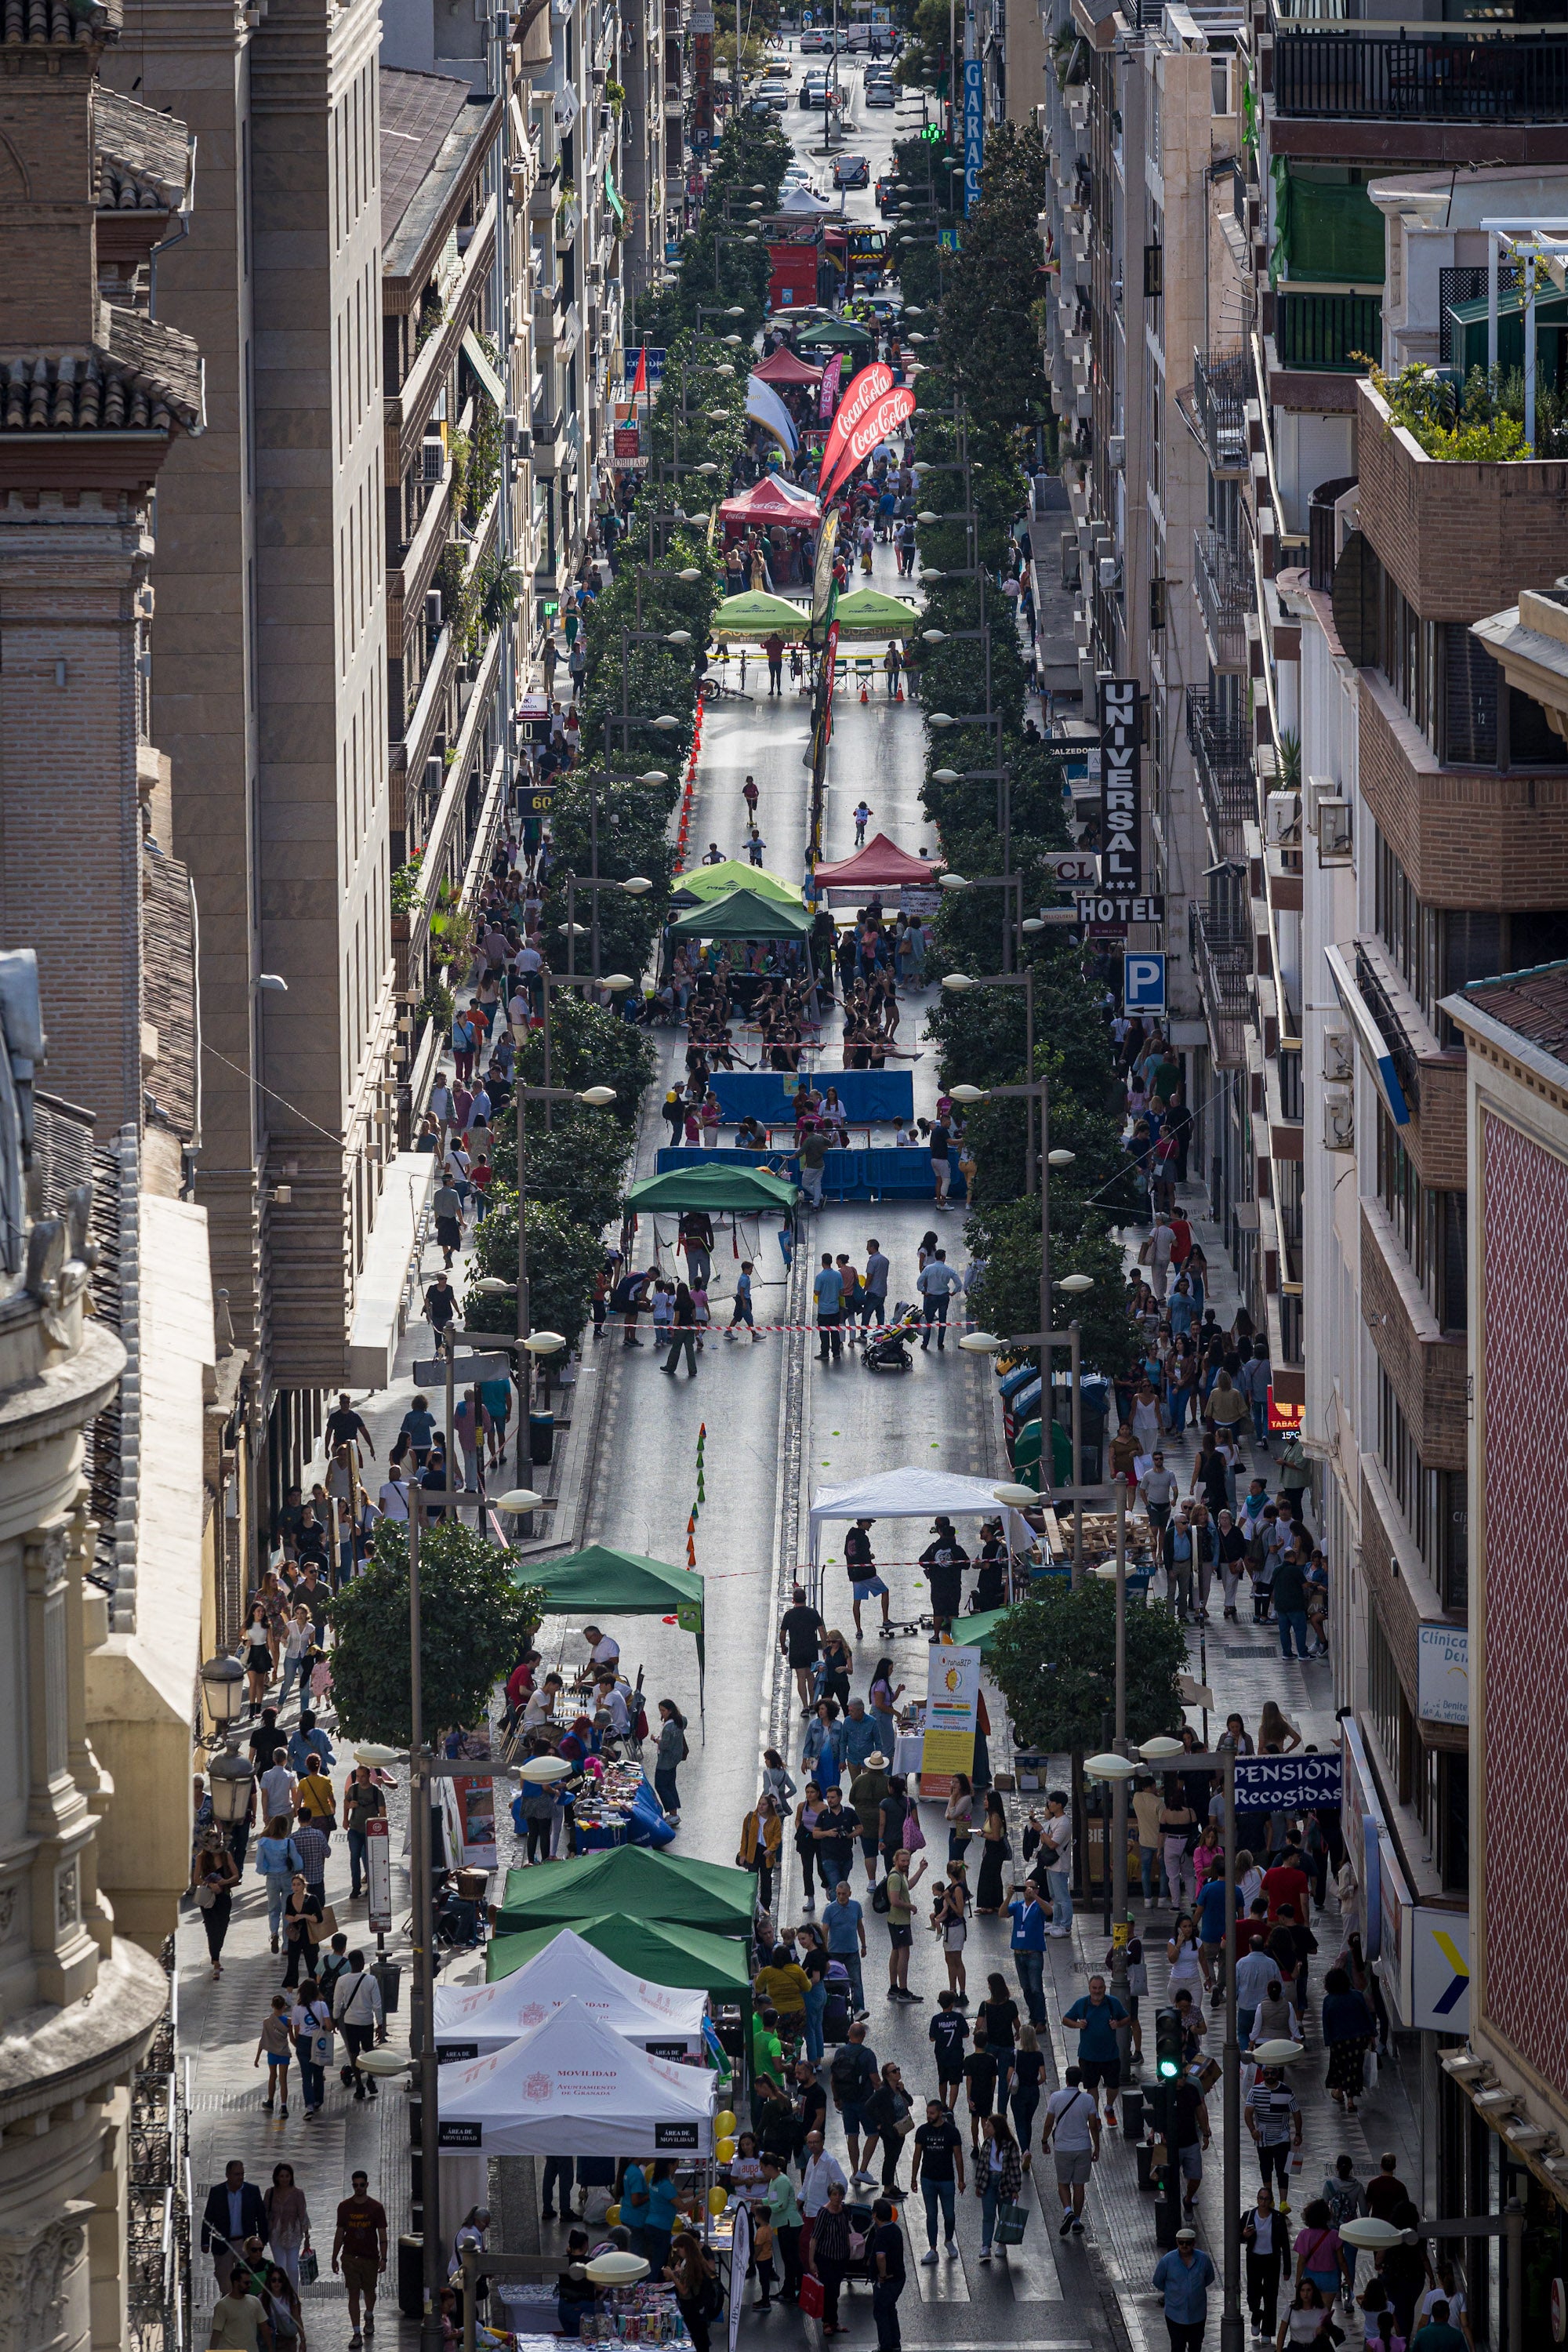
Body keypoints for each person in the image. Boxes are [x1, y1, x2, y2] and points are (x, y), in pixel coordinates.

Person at [1041, 2065, 1100, 2235]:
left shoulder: (1056, 2097)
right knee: (1079, 2185)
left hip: (1063, 2147)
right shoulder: (1088, 2100)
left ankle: (1068, 2210)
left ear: (1066, 2079)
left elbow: (1048, 2123)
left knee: (1063, 2183)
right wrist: (1097, 2147)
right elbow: (1093, 2125)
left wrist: (1044, 2140)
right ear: (1080, 2081)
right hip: (1083, 2147)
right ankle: (1076, 2221)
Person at [1063, 1974, 1129, 2125]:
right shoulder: (1082, 2004)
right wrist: (1078, 2025)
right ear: (1089, 1989)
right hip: (1088, 2056)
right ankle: (1096, 2116)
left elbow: (1127, 2018)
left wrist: (1117, 2024)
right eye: (1094, 1988)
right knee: (1092, 2087)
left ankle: (1109, 2107)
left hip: (1110, 2055)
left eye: (1100, 1988)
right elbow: (1066, 2019)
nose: (1097, 1991)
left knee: (1113, 2086)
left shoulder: (1113, 2003)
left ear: (1105, 1988)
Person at [332, 2172, 387, 2350]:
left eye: (361, 2185)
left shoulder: (376, 2208)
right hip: (350, 2257)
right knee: (353, 2293)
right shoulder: (344, 2207)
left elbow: (382, 2235)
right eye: (355, 2185)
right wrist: (334, 2256)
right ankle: (356, 2332)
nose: (358, 2188)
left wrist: (384, 2258)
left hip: (370, 2257)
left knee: (370, 2291)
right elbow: (340, 2233)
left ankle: (369, 2314)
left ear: (367, 2185)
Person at [201, 2163, 267, 2296]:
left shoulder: (252, 2191)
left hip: (245, 2244)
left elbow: (261, 2217)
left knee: (246, 2281)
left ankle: (244, 2310)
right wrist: (205, 2242)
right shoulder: (217, 2192)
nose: (240, 2177)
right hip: (223, 2244)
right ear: (228, 2175)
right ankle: (230, 2308)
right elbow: (208, 2217)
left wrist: (262, 2240)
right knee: (226, 2283)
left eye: (242, 2174)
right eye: (237, 2174)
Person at [1154, 2229, 1218, 2352]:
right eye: (1181, 2242)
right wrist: (1173, 2293)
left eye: (1188, 2243)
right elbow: (1158, 2281)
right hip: (1175, 2313)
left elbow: (1209, 2278)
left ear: (1193, 2244)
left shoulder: (1203, 2259)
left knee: (1196, 2346)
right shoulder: (1167, 2261)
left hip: (1197, 2313)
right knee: (1178, 2346)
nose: (1184, 2246)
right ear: (1177, 2243)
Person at [333, 1951, 385, 2099]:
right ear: (362, 1963)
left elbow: (337, 2003)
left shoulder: (342, 1981)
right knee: (370, 2052)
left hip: (350, 2022)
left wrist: (336, 2018)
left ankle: (359, 2087)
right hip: (366, 2022)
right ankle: (370, 2080)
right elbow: (377, 2005)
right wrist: (380, 2024)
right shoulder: (371, 1980)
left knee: (354, 2054)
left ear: (350, 1963)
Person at [1247, 2066, 1303, 2201]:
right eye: (1266, 2073)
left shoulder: (1287, 2091)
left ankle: (1283, 2202)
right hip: (1263, 2138)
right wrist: (1252, 2130)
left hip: (1282, 2138)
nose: (1269, 2076)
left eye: (1272, 2073)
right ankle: (1269, 2199)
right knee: (1266, 2170)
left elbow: (1296, 2113)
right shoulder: (1255, 2091)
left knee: (1283, 2171)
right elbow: (1248, 2112)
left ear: (1277, 2073)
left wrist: (1298, 2134)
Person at [191, 1831, 241, 1979]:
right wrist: (209, 1884)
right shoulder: (202, 1858)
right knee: (211, 1928)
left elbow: (236, 1875)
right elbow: (196, 1879)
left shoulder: (226, 1855)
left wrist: (225, 1882)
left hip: (224, 1895)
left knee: (223, 1925)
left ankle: (215, 1956)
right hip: (208, 1897)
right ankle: (216, 1961)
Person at [884, 1846, 927, 2000]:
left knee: (896, 1952)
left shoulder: (899, 1874)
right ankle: (903, 1990)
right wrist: (910, 1906)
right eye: (903, 1861)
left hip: (897, 1920)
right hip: (899, 1921)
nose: (906, 1863)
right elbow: (894, 1901)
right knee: (904, 1954)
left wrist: (921, 1870)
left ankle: (894, 1988)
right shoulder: (895, 1877)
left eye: (908, 1861)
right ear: (896, 1860)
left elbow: (908, 1886)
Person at [1244, 2187, 1287, 2340]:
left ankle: (1267, 2331)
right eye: (1260, 2198)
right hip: (1254, 2259)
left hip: (1272, 2260)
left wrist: (1287, 2268)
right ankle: (1257, 2315)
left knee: (1270, 2296)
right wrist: (1244, 2236)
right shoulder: (1249, 2216)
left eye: (1266, 2199)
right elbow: (1237, 2237)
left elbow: (1285, 2243)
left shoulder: (1277, 2217)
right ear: (1257, 2199)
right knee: (1252, 2294)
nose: (1263, 2202)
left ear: (1270, 2201)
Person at [779, 1586, 826, 1716]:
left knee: (801, 1677)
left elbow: (782, 1634)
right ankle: (812, 1703)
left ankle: (805, 1706)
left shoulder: (789, 1615)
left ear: (793, 1600)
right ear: (805, 1599)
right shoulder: (813, 1613)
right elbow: (822, 1631)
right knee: (811, 1676)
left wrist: (783, 1647)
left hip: (796, 1649)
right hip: (810, 1648)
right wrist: (825, 1647)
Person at [1008, 1875, 1049, 2025]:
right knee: (1026, 1988)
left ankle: (1040, 2020)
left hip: (1034, 1954)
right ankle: (1033, 2016)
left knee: (1036, 1988)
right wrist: (1008, 1896)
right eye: (1025, 1888)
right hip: (1019, 1954)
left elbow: (1049, 1911)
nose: (1027, 1891)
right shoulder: (1018, 1906)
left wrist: (1036, 1897)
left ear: (1037, 1890)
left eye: (1030, 1888)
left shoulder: (1039, 1906)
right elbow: (1002, 1913)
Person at [263, 2165, 311, 2291]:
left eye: (287, 2176)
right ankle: (281, 2293)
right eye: (282, 2176)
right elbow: (265, 2213)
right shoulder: (270, 2193)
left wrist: (307, 2237)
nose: (284, 2179)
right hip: (275, 2234)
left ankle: (294, 2294)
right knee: (280, 2266)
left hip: (293, 2235)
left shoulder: (298, 2194)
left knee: (292, 2267)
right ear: (276, 2177)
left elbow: (303, 2215)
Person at [868, 2195, 905, 2352]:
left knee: (881, 2312)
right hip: (899, 2278)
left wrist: (882, 2276)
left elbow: (881, 2256)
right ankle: (895, 2343)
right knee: (890, 2309)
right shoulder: (895, 2229)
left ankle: (885, 2346)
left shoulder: (882, 2233)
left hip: (887, 2281)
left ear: (875, 2215)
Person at [207, 2274, 273, 2351]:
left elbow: (264, 2327)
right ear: (236, 2283)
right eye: (246, 2283)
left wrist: (270, 2349)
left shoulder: (255, 2301)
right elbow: (216, 2332)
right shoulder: (222, 2305)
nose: (250, 2285)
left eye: (251, 2282)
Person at [254, 1992, 293, 2117]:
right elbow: (292, 2038)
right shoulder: (288, 2021)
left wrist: (257, 2058)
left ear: (272, 2005)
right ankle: (284, 2107)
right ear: (284, 2007)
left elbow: (263, 2040)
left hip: (272, 2053)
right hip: (284, 2053)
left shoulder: (267, 2022)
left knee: (272, 2076)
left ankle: (270, 2102)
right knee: (283, 2080)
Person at [916, 1247, 961, 1348]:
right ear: (944, 1258)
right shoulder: (949, 1270)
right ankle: (940, 1343)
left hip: (930, 1297)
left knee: (928, 1321)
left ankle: (925, 1343)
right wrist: (954, 1292)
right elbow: (959, 1284)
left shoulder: (928, 1268)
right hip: (943, 1297)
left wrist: (923, 1291)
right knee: (942, 1321)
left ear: (936, 1257)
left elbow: (919, 1281)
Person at [1043, 1789, 1073, 1935]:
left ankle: (1066, 1926)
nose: (1049, 1805)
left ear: (1059, 1805)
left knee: (1062, 1897)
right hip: (1050, 1865)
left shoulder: (1064, 1823)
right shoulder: (1053, 1821)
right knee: (1054, 1896)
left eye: (1052, 1802)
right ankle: (1056, 1922)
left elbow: (1052, 1843)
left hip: (1060, 1865)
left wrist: (1042, 1832)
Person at [655, 1700, 687, 1823]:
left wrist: (656, 1740)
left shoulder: (668, 1728)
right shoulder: (681, 1720)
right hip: (675, 1757)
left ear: (670, 1711)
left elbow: (664, 1745)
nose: (662, 1713)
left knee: (661, 1785)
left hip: (665, 1761)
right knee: (670, 1784)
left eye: (663, 1711)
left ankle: (672, 1811)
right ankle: (674, 1812)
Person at [814, 1252, 844, 1361]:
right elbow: (841, 1291)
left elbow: (816, 1292)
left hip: (824, 1310)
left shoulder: (820, 1277)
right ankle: (836, 1353)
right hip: (835, 1309)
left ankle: (825, 1353)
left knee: (824, 1333)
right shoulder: (838, 1275)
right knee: (835, 1332)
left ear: (822, 1262)